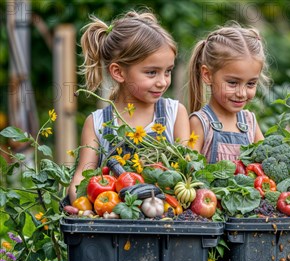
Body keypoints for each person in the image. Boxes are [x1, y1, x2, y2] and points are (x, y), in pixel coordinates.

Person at [67, 10, 190, 203]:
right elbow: (82, 177)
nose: (162, 82)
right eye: (151, 72)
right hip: (114, 223)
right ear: (118, 72)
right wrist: (83, 207)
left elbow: (187, 169)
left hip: (167, 219)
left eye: (168, 71)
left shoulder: (174, 113)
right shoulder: (98, 122)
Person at [187, 23, 268, 164]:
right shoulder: (200, 123)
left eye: (250, 84)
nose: (242, 93)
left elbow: (266, 162)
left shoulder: (250, 122)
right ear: (207, 75)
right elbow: (189, 170)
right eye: (232, 83)